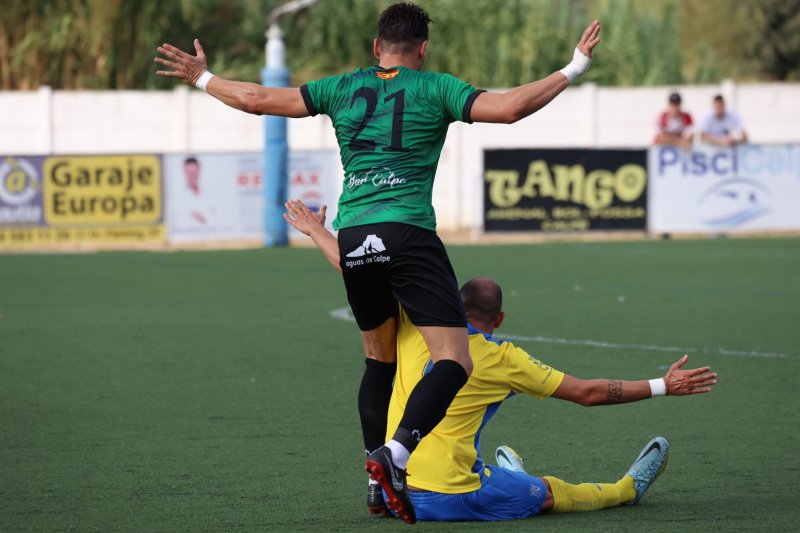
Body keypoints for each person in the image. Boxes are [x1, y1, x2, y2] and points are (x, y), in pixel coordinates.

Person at [155, 3, 601, 523]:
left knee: (379, 361)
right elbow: (508, 109)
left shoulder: (340, 87)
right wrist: (574, 67)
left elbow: (255, 99)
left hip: (357, 236)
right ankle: (395, 454)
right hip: (408, 232)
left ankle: (373, 477)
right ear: (423, 48)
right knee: (456, 360)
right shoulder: (436, 87)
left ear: (376, 48)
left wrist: (201, 76)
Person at [284, 198, 717, 522]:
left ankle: (501, 472)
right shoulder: (504, 357)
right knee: (546, 494)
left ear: (449, 303)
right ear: (501, 318)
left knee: (485, 467)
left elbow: (352, 267)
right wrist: (664, 384)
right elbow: (587, 393)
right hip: (448, 499)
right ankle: (625, 490)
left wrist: (315, 231)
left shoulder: (414, 319)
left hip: (403, 493)